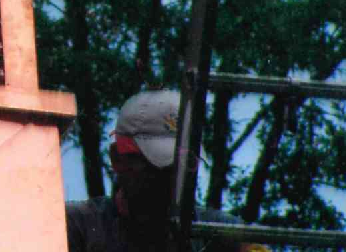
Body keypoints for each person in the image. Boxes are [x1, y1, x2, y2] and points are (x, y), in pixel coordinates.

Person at [66, 90, 264, 252]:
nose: (172, 179)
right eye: (158, 165)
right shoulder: (76, 227)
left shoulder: (222, 234)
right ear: (117, 159)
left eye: (184, 165)